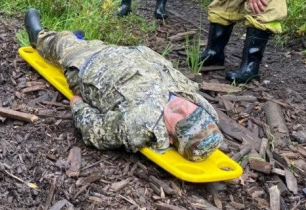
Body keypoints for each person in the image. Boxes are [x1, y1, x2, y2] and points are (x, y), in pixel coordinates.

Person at [24, 9, 223, 162]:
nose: (183, 109)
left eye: (181, 120)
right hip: (119, 54)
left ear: (169, 137)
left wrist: (78, 106)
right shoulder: (192, 99)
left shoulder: (140, 124)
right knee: (89, 42)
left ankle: (40, 36)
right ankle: (77, 39)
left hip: (88, 64)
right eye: (193, 112)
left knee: (62, 43)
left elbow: (97, 132)